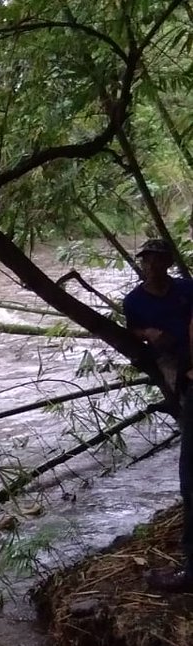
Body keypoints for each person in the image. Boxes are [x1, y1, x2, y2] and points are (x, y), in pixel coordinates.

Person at [123, 239, 193, 591]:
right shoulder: (134, 301)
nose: (151, 265)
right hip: (171, 364)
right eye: (147, 260)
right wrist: (146, 334)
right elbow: (132, 331)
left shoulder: (186, 290)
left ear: (166, 262)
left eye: (157, 259)